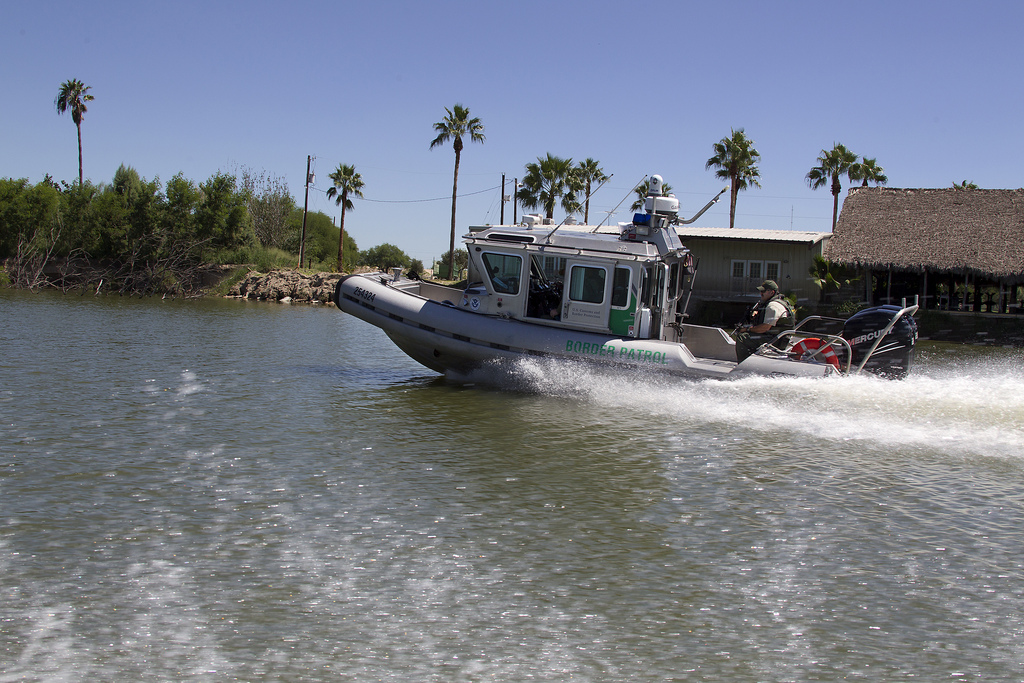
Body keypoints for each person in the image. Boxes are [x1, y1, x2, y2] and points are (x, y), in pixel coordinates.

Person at [734, 279, 795, 361]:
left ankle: (744, 364)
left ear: (772, 292)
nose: (761, 294)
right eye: (761, 291)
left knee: (742, 337)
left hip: (776, 341)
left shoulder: (773, 306)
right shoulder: (777, 303)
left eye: (763, 291)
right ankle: (753, 360)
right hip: (778, 338)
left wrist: (746, 329)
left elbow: (765, 328)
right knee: (751, 335)